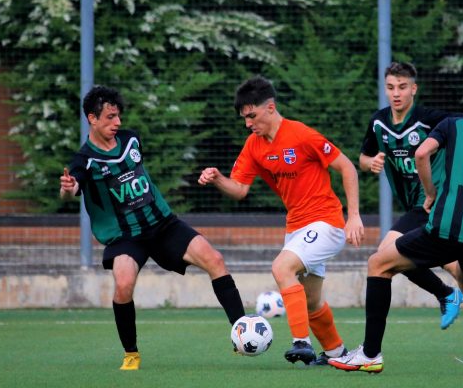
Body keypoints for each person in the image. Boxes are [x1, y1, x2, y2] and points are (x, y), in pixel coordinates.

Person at [329, 77, 463, 376]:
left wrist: (429, 193)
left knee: (378, 263)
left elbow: (421, 153)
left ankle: (369, 353)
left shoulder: (454, 125)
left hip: (448, 224)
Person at [60, 86, 245, 371]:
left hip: (163, 224)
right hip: (125, 237)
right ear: (92, 119)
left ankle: (241, 335)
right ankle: (131, 353)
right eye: (110, 117)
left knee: (215, 260)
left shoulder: (131, 140)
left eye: (118, 116)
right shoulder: (84, 161)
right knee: (123, 284)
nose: (117, 123)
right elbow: (71, 190)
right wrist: (69, 188)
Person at [199, 75, 364, 366]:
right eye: (244, 118)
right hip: (297, 228)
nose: (248, 123)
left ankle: (302, 344)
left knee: (281, 267)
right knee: (311, 302)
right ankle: (337, 353)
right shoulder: (254, 145)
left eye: (252, 116)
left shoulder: (301, 135)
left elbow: (347, 167)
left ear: (270, 108)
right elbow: (239, 189)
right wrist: (218, 179)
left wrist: (353, 217)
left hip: (326, 222)